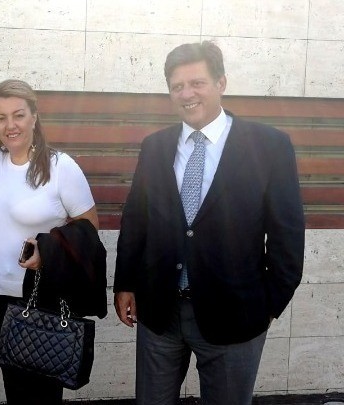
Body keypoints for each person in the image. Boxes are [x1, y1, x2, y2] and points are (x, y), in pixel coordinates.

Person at [113, 41, 305, 405]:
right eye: (177, 86)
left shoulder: (269, 146)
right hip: (160, 313)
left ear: (221, 83)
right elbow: (136, 220)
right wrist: (124, 283)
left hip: (236, 317)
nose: (187, 94)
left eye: (197, 83)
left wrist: (267, 304)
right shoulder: (155, 147)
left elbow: (288, 235)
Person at [0, 79, 104, 405]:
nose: (10, 125)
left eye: (18, 115)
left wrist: (48, 252)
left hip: (41, 294)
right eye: (1, 117)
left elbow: (90, 229)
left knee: (41, 392)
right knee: (15, 388)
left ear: (34, 116)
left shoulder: (61, 166)